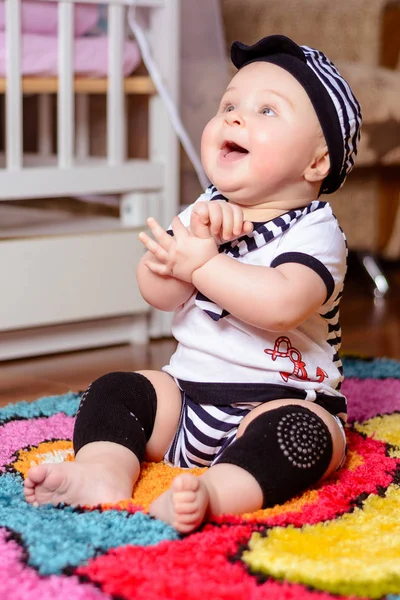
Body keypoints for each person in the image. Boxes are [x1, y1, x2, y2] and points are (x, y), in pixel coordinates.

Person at [24, 34, 362, 534]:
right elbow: (159, 294)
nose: (235, 116)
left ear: (316, 162)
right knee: (117, 390)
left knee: (306, 437)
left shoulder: (316, 232)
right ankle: (103, 471)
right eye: (229, 104)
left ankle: (218, 491)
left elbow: (281, 304)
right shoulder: (203, 211)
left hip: (278, 400)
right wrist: (177, 255)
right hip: (185, 403)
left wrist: (201, 264)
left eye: (267, 111)